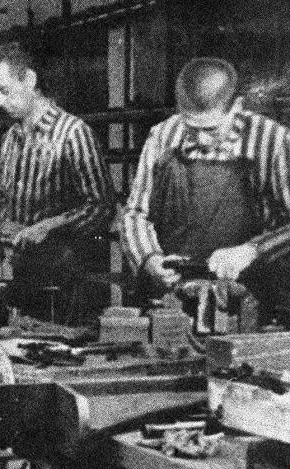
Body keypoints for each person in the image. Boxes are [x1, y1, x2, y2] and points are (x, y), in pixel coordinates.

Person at [122, 57, 290, 315]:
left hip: (247, 298)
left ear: (237, 106)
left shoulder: (272, 141)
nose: (200, 139)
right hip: (172, 296)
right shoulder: (162, 136)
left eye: (211, 129)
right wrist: (149, 259)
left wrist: (252, 250)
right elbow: (135, 213)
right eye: (191, 128)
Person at [0, 42, 114, 324]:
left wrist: (48, 227)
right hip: (20, 277)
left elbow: (101, 206)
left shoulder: (73, 133)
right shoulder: (10, 139)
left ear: (29, 80)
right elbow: (6, 203)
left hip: (63, 279)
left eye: (4, 91)